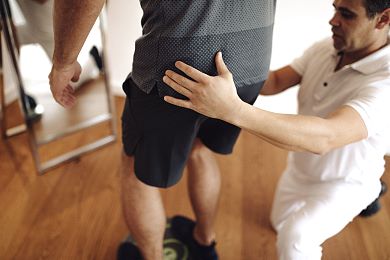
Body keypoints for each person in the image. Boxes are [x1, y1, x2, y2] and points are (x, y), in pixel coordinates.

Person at [48, 0, 276, 259]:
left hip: (179, 67)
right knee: (200, 149)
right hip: (250, 59)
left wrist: (63, 62)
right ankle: (204, 241)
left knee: (136, 171)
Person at [162, 0, 390, 259]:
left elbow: (326, 137)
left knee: (296, 237)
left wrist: (230, 109)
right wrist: (219, 56)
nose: (333, 20)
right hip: (302, 171)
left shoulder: (386, 82)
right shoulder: (326, 48)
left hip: (346, 183)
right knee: (278, 223)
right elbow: (275, 82)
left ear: (383, 20)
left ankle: (370, 192)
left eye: (346, 14)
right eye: (335, 8)